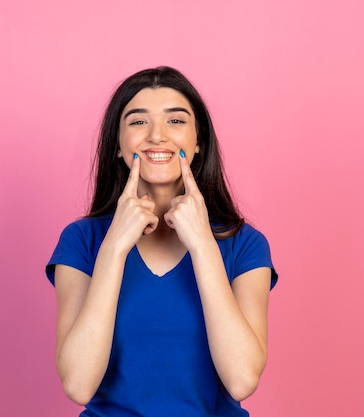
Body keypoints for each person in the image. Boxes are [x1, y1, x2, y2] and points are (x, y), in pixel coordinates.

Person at [45, 67, 278, 417]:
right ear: (118, 147)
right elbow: (78, 384)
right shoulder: (82, 241)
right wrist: (113, 248)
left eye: (176, 121)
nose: (157, 136)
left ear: (198, 142)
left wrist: (202, 246)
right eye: (138, 122)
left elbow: (242, 379)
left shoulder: (245, 245)